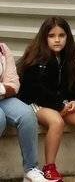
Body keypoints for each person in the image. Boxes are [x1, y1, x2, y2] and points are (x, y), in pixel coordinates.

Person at [18, 17, 75, 181]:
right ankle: (49, 168)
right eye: (52, 35)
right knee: (57, 121)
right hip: (36, 103)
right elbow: (35, 90)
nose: (57, 40)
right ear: (44, 37)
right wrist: (59, 105)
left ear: (68, 37)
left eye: (61, 35)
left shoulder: (69, 58)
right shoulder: (36, 59)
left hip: (60, 104)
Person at [2, 41, 49, 182]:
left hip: (4, 98)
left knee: (27, 114)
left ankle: (30, 170)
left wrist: (4, 89)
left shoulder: (3, 49)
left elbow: (14, 84)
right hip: (3, 94)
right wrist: (4, 87)